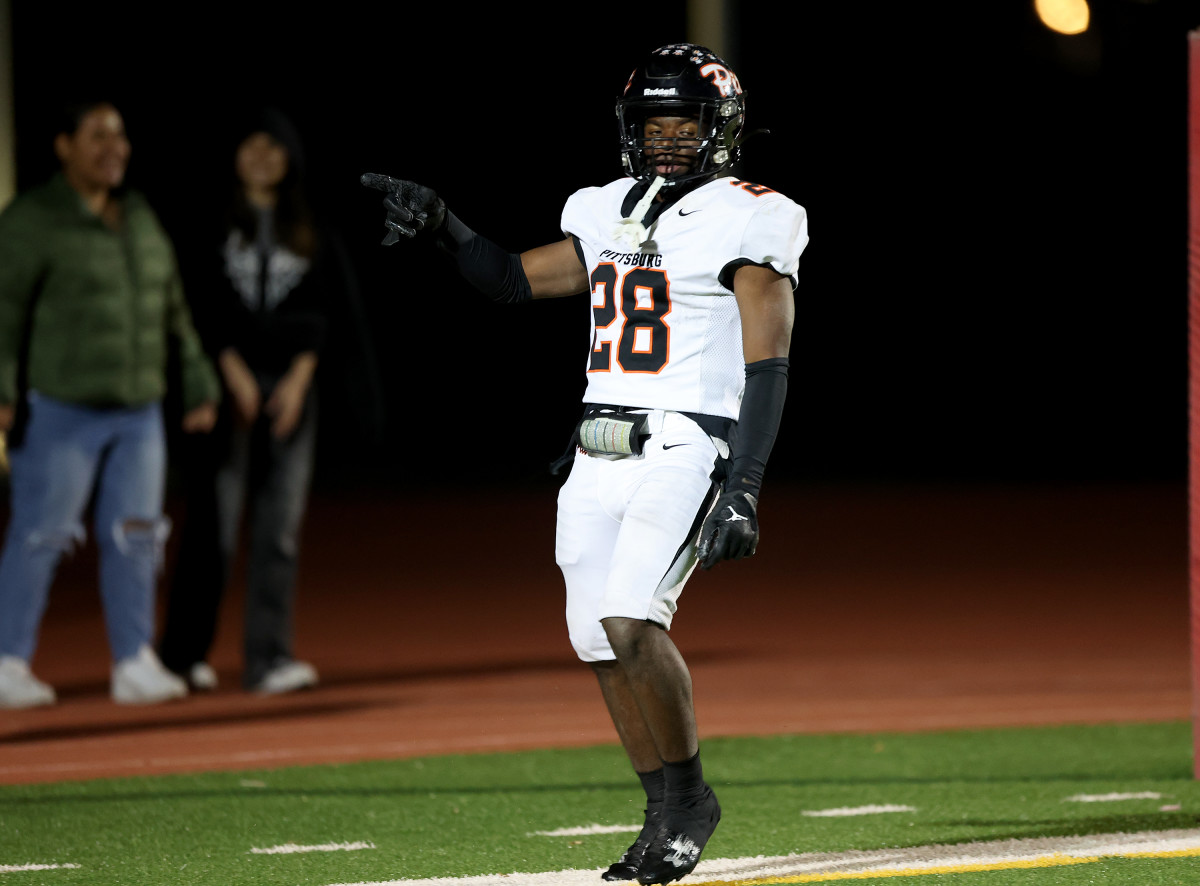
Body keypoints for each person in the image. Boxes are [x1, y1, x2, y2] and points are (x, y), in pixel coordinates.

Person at [362, 43, 808, 885]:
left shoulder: (757, 213)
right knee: (597, 641)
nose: (667, 139)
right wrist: (443, 224)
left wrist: (744, 486)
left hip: (688, 440)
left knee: (635, 619)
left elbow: (769, 364)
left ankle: (689, 800)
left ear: (722, 128)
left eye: (684, 123)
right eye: (652, 123)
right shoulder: (604, 207)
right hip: (599, 445)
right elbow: (511, 283)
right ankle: (656, 808)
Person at [0, 99, 221, 708]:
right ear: (63, 145)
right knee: (41, 534)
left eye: (120, 136)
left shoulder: (140, 215)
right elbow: (3, 311)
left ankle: (133, 660)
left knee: (137, 538)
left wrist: (197, 379)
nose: (114, 147)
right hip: (61, 407)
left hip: (139, 409)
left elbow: (173, 307)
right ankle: (6, 660)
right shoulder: (31, 219)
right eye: (97, 135)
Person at [157, 107, 363, 695]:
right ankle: (182, 658)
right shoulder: (211, 220)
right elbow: (200, 301)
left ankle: (268, 659)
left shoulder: (313, 226)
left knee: (280, 530)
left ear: (290, 159)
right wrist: (232, 373)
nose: (262, 157)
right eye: (251, 146)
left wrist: (298, 381)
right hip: (227, 387)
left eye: (274, 148)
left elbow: (327, 313)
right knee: (213, 527)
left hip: (294, 388)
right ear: (234, 157)